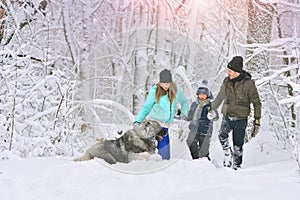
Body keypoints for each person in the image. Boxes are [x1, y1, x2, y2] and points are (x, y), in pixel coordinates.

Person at [209, 56, 261, 169]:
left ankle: (236, 166)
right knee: (222, 136)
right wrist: (211, 108)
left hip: (241, 119)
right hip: (227, 116)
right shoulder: (227, 81)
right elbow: (220, 96)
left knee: (238, 145)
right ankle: (227, 154)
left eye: (230, 71)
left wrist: (257, 121)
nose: (228, 72)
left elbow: (257, 103)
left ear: (237, 71)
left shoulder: (249, 84)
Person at [134, 69, 189, 160]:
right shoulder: (155, 90)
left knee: (166, 155)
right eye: (163, 84)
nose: (165, 86)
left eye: (167, 84)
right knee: (162, 153)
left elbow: (184, 102)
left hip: (166, 126)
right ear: (159, 83)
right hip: (156, 124)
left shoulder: (175, 90)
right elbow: (146, 107)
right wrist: (138, 120)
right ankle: (155, 166)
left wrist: (183, 113)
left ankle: (164, 170)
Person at [186, 80, 218, 160]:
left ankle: (206, 164)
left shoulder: (210, 105)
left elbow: (216, 116)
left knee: (204, 151)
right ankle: (196, 160)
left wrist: (212, 115)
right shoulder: (194, 104)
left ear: (207, 95)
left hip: (205, 130)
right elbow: (189, 116)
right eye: (200, 94)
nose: (202, 96)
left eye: (204, 94)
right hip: (194, 129)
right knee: (190, 141)